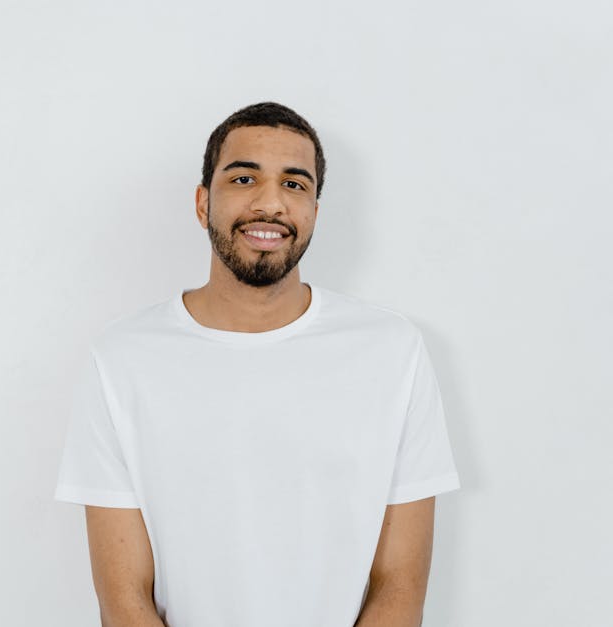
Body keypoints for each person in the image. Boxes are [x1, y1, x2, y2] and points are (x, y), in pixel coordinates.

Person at [53, 101, 460, 627]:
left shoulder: (393, 350)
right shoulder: (122, 358)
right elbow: (124, 600)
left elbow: (399, 589)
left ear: (315, 210)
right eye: (244, 178)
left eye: (295, 185)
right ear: (203, 204)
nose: (270, 203)